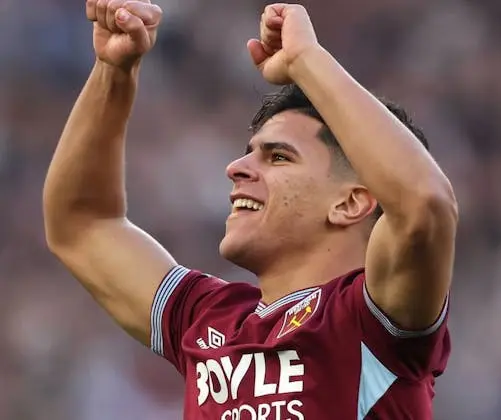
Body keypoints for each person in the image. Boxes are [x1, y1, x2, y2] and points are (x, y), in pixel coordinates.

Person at [43, 1, 458, 419]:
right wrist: (114, 72)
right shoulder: (206, 320)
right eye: (249, 153)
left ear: (350, 202)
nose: (236, 168)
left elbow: (424, 204)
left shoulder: (374, 321)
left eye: (278, 157)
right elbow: (80, 224)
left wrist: (306, 60)